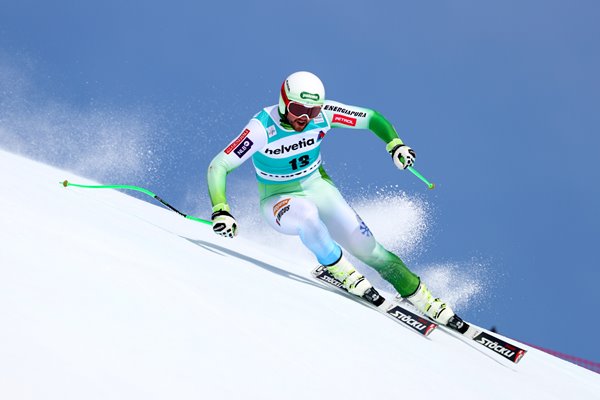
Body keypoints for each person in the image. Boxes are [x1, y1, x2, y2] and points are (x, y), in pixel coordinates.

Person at [207, 71, 460, 327]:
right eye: (297, 109)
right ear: (284, 101)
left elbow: (372, 118)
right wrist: (221, 209)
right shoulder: (262, 127)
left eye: (312, 111)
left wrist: (395, 144)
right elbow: (219, 166)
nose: (304, 118)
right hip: (277, 198)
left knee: (370, 250)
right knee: (306, 216)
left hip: (317, 185)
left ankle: (422, 298)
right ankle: (340, 271)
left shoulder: (326, 113)